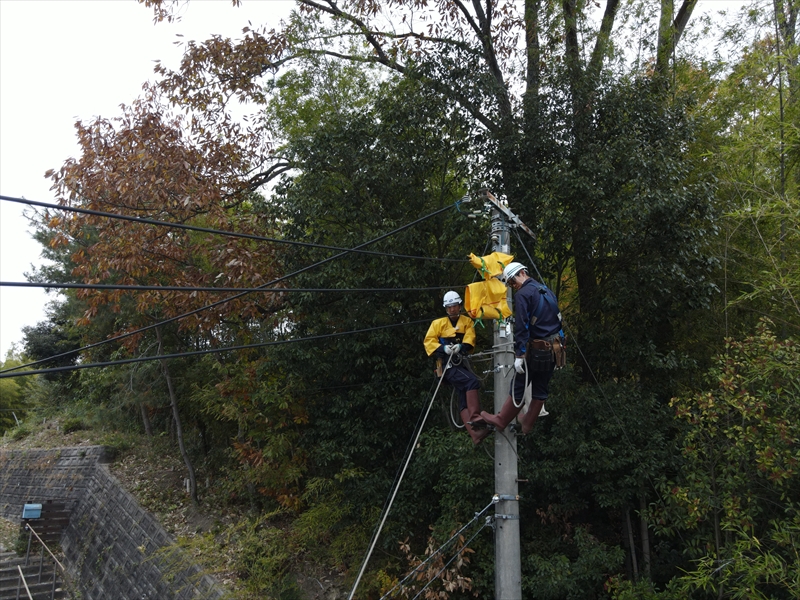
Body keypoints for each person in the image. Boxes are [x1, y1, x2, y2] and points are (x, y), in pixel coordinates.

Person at [481, 262, 565, 435]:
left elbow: (521, 326)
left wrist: (520, 354)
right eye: (510, 284)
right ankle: (527, 423)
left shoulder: (523, 294)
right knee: (541, 386)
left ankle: (501, 420)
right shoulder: (545, 290)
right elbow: (557, 320)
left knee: (519, 384)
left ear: (521, 273)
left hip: (537, 350)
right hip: (554, 349)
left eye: (512, 281)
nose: (513, 286)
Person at [424, 291, 489, 445]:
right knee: (471, 382)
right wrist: (443, 348)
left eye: (454, 306)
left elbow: (470, 339)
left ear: (459, 306)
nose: (452, 309)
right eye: (449, 307)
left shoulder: (467, 322)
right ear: (446, 308)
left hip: (460, 364)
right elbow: (429, 342)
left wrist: (461, 347)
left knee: (463, 395)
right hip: (447, 366)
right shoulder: (438, 324)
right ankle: (475, 417)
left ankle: (475, 434)